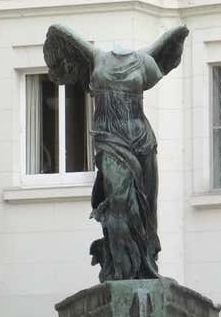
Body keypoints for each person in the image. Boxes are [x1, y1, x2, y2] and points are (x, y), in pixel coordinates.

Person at [44, 24, 189, 282]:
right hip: (110, 140)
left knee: (148, 209)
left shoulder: (144, 62)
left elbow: (160, 68)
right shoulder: (96, 59)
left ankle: (145, 265)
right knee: (120, 205)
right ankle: (122, 269)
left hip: (141, 139)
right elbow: (62, 71)